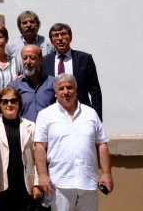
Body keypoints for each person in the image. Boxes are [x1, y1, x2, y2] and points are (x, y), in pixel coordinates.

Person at [35, 74, 113, 211]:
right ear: (55, 93)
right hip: (60, 184)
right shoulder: (45, 115)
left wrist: (107, 173)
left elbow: (101, 144)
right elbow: (40, 147)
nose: (66, 92)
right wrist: (42, 175)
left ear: (76, 91)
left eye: (69, 87)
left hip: (88, 182)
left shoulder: (91, 114)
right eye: (61, 88)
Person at [40, 23, 103, 120]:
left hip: (81, 113)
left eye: (63, 34)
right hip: (54, 115)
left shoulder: (85, 59)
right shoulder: (44, 61)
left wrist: (97, 118)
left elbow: (95, 91)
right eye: (56, 35)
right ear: (51, 40)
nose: (60, 38)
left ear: (70, 37)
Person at [0, 86, 40, 211]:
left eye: (13, 101)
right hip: (2, 186)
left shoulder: (31, 126)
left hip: (25, 186)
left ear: (18, 104)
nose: (9, 104)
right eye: (5, 101)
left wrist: (37, 184)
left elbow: (37, 158)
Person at [8, 44, 55, 123]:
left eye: (32, 58)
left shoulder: (53, 83)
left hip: (49, 129)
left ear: (41, 60)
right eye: (24, 58)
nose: (28, 62)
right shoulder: (14, 87)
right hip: (25, 129)